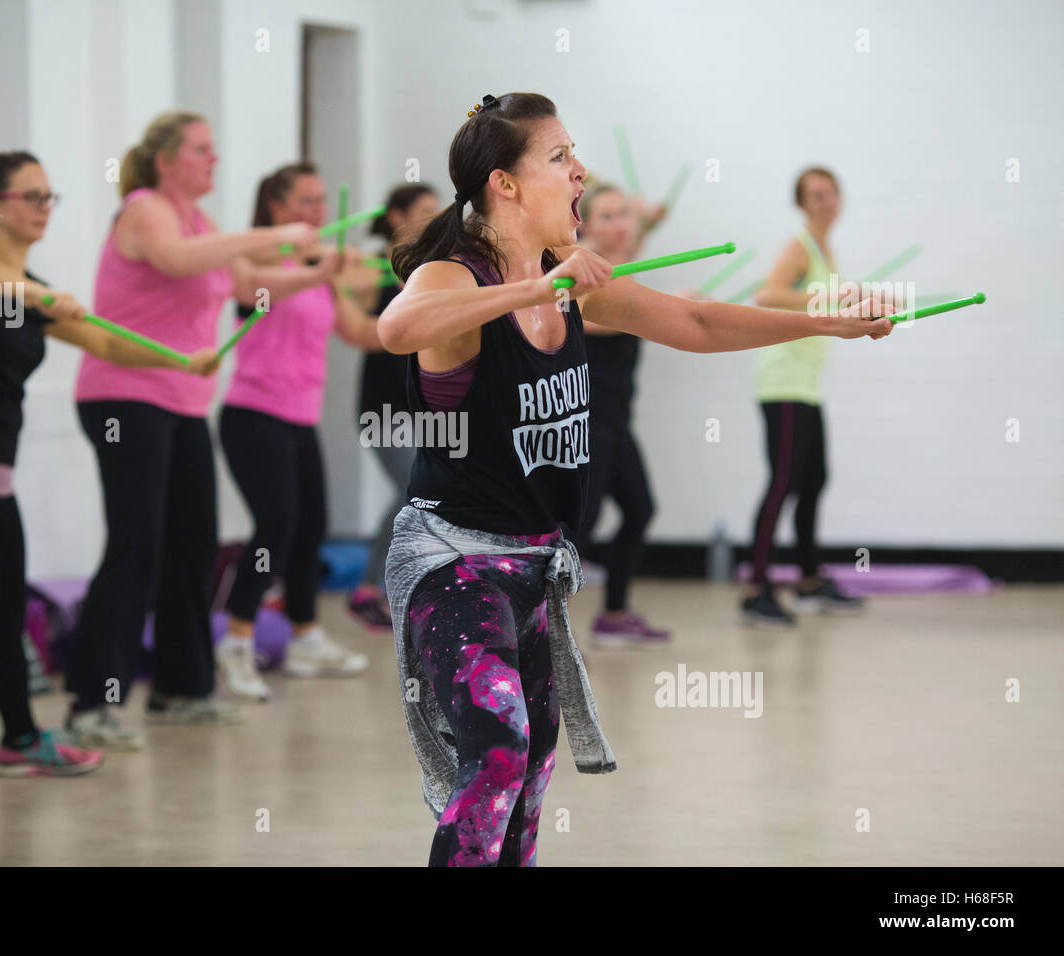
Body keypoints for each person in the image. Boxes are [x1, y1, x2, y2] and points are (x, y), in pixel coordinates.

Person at [379, 93, 893, 866]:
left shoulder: (567, 278)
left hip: (534, 563)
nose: (579, 169)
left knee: (533, 762)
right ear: (504, 184)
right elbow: (396, 328)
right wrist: (535, 290)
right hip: (453, 562)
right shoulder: (458, 278)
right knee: (498, 752)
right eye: (559, 158)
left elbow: (696, 323)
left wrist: (828, 320)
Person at [0, 150, 217, 814]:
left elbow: (112, 344)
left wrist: (182, 358)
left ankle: (21, 740)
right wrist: (40, 296)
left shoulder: (31, 288)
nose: (43, 208)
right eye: (31, 196)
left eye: (49, 196)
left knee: (5, 611)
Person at [65, 113, 336, 745]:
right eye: (201, 151)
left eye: (215, 151)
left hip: (185, 401)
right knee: (136, 542)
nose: (213, 160)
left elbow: (247, 284)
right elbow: (176, 260)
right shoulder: (145, 209)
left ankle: (181, 687)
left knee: (193, 543)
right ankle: (90, 701)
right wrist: (270, 235)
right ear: (165, 161)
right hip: (123, 396)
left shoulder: (204, 223)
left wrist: (314, 273)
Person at [215, 162, 381, 701]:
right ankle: (236, 641)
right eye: (305, 202)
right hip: (253, 415)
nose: (318, 212)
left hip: (300, 418)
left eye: (321, 200)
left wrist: (432, 322)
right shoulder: (256, 258)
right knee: (276, 524)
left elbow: (359, 331)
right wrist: (320, 268)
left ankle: (305, 635)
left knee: (312, 527)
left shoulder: (321, 267)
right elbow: (256, 287)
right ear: (276, 209)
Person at [743, 167, 867, 625]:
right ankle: (756, 589)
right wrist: (829, 299)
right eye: (816, 195)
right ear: (802, 202)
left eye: (831, 192)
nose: (826, 201)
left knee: (813, 481)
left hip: (807, 387)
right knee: (782, 484)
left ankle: (810, 582)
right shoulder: (800, 245)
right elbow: (767, 294)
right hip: (784, 385)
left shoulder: (822, 248)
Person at [572, 180, 669, 642]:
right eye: (608, 216)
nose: (620, 224)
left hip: (616, 415)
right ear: (585, 223)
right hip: (587, 416)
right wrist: (663, 314)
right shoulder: (579, 268)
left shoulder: (618, 262)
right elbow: (575, 319)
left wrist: (648, 223)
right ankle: (549, 638)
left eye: (625, 214)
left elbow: (631, 246)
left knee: (639, 508)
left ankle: (613, 616)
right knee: (580, 527)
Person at [347, 184, 441, 630]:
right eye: (423, 210)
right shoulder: (371, 271)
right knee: (412, 492)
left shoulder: (434, 269)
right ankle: (369, 586)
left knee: (429, 494)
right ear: (394, 216)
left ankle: (410, 587)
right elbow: (354, 321)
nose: (434, 217)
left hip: (422, 407)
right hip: (381, 408)